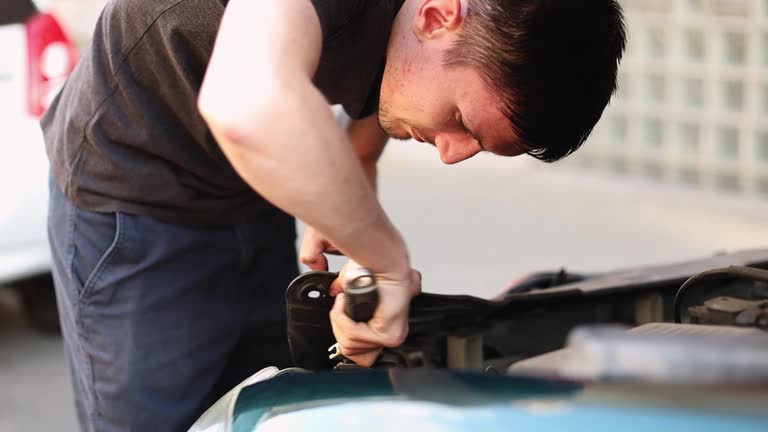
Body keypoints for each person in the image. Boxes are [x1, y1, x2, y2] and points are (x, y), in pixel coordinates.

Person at [41, 0, 626, 430]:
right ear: (440, 14)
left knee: (261, 410)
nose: (450, 154)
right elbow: (245, 101)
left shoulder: (428, 33)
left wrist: (355, 163)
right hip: (132, 204)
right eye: (460, 122)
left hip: (245, 188)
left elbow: (384, 80)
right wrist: (385, 257)